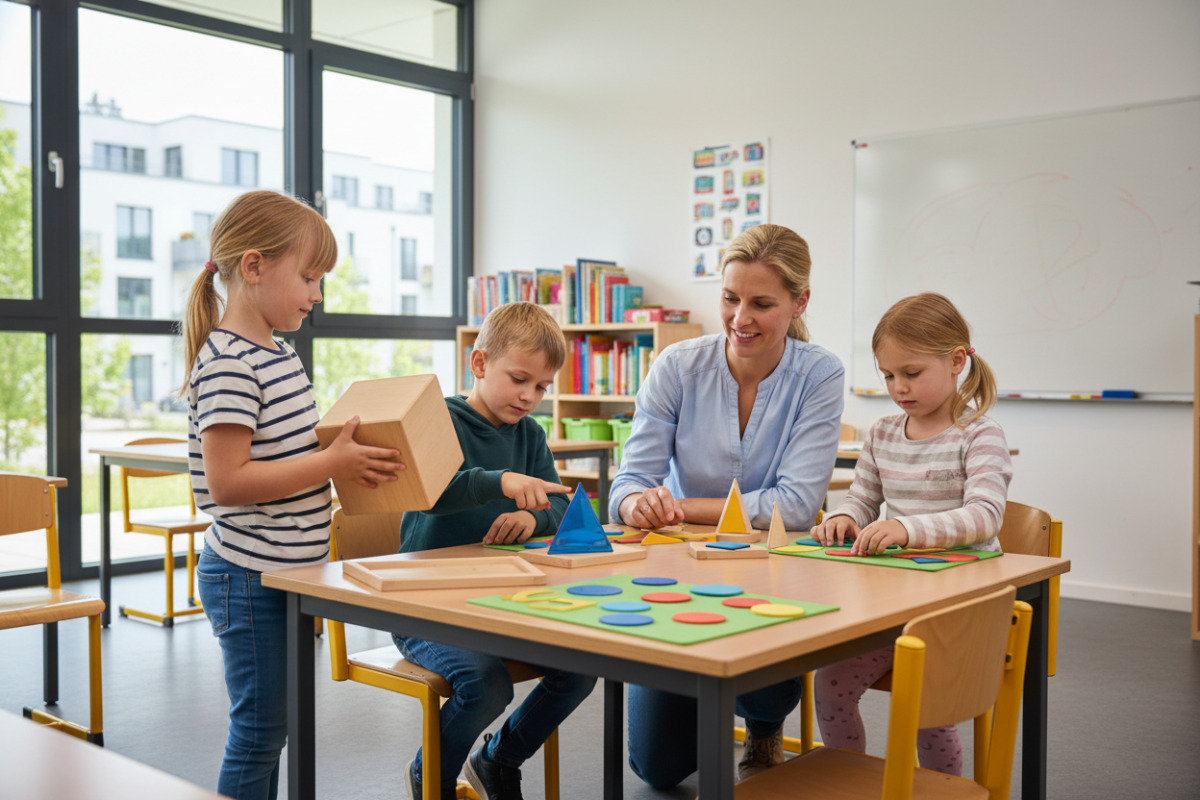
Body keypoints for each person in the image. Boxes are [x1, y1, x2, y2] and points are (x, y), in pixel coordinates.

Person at [182, 190, 404, 800]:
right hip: (249, 576)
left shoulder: (279, 353)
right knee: (258, 733)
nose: (317, 294)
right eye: (309, 277)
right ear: (253, 268)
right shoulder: (229, 362)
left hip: (287, 573)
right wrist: (329, 461)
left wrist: (342, 461)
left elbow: (288, 457)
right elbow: (228, 483)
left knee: (274, 729)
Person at [608, 223, 845, 788]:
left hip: (772, 577)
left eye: (762, 303)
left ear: (799, 303)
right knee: (658, 768)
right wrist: (640, 502)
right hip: (677, 577)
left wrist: (681, 506)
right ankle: (701, 689)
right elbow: (626, 485)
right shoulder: (676, 367)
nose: (741, 318)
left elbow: (794, 503)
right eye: (730, 298)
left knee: (764, 681)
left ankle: (764, 721)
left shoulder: (820, 374)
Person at [393, 301, 597, 800]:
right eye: (519, 379)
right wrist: (499, 481)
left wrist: (532, 515)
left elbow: (560, 507)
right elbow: (431, 495)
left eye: (543, 387)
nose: (530, 397)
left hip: (501, 605)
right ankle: (433, 776)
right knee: (486, 684)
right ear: (480, 364)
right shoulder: (438, 420)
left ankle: (498, 759)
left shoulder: (529, 434)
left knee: (582, 668)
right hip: (423, 606)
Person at [810, 291, 1013, 776]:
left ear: (957, 361)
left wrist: (907, 528)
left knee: (930, 711)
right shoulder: (881, 433)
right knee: (829, 684)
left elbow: (985, 515)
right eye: (888, 375)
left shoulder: (979, 434)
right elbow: (862, 498)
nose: (898, 386)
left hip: (959, 613)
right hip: (891, 609)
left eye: (912, 373)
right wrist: (847, 518)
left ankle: (943, 789)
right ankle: (848, 781)